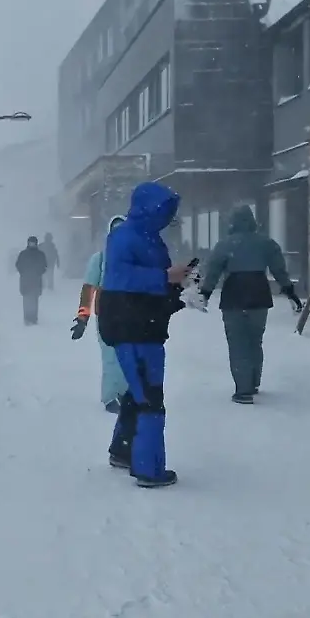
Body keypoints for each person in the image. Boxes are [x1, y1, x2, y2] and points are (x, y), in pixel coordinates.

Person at [98, 181, 193, 488]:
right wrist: (165, 277)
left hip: (147, 325)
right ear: (148, 209)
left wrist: (180, 289)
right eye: (163, 210)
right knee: (149, 398)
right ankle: (148, 469)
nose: (167, 217)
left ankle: (122, 450)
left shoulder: (151, 239)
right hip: (133, 326)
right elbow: (121, 278)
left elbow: (153, 285)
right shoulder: (124, 236)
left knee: (138, 393)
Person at [197, 204, 303, 404]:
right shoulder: (266, 243)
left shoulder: (225, 245)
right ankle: (253, 381)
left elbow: (213, 272)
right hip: (259, 294)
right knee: (255, 340)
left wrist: (205, 293)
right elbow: (279, 269)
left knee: (238, 343)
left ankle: (243, 390)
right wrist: (289, 291)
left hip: (234, 295)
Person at [71, 215, 129, 413]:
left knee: (127, 354)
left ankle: (124, 392)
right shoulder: (100, 259)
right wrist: (82, 318)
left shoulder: (132, 259)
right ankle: (109, 397)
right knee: (110, 356)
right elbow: (88, 289)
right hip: (106, 314)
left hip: (129, 314)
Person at [15, 236, 49, 325]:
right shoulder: (23, 254)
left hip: (36, 280)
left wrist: (38, 272)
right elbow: (18, 265)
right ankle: (27, 318)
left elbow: (44, 266)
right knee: (26, 299)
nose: (32, 244)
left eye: (33, 243)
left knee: (34, 299)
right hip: (25, 280)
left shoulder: (40, 254)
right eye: (31, 242)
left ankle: (33, 318)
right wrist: (23, 272)